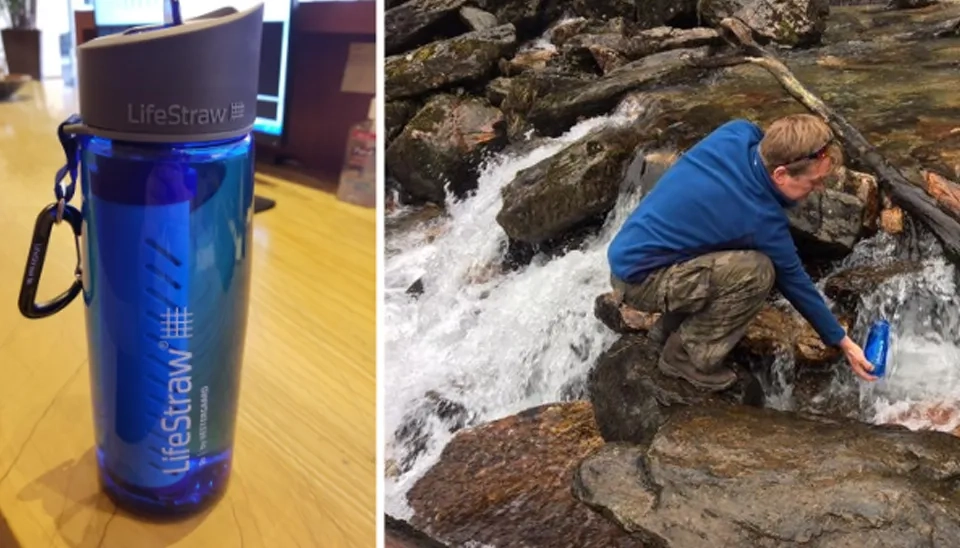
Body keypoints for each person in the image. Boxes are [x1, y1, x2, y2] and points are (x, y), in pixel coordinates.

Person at [606, 114, 877, 391]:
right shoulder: (760, 219)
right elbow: (795, 282)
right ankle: (685, 357)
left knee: (727, 248)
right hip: (640, 281)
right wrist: (842, 341)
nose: (819, 189)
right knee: (756, 271)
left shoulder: (737, 132)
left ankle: (666, 332)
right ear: (781, 174)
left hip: (630, 251)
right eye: (814, 182)